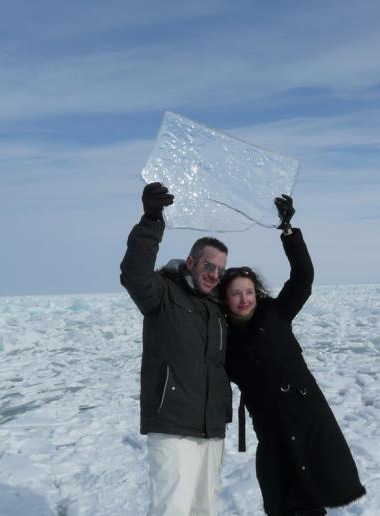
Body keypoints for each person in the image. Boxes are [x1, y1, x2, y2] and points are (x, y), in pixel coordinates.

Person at [221, 194, 366, 516]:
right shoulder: (224, 337)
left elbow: (302, 277)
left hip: (308, 417)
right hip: (271, 430)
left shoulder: (276, 313)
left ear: (256, 292)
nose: (244, 299)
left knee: (315, 492)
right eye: (235, 294)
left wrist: (288, 230)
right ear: (226, 299)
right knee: (282, 499)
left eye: (248, 291)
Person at [120, 182, 232, 516]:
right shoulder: (163, 293)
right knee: (173, 509)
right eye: (208, 265)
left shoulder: (217, 308)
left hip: (211, 428)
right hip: (172, 425)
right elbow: (134, 274)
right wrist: (151, 221)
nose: (214, 274)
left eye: (221, 270)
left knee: (205, 509)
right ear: (191, 261)